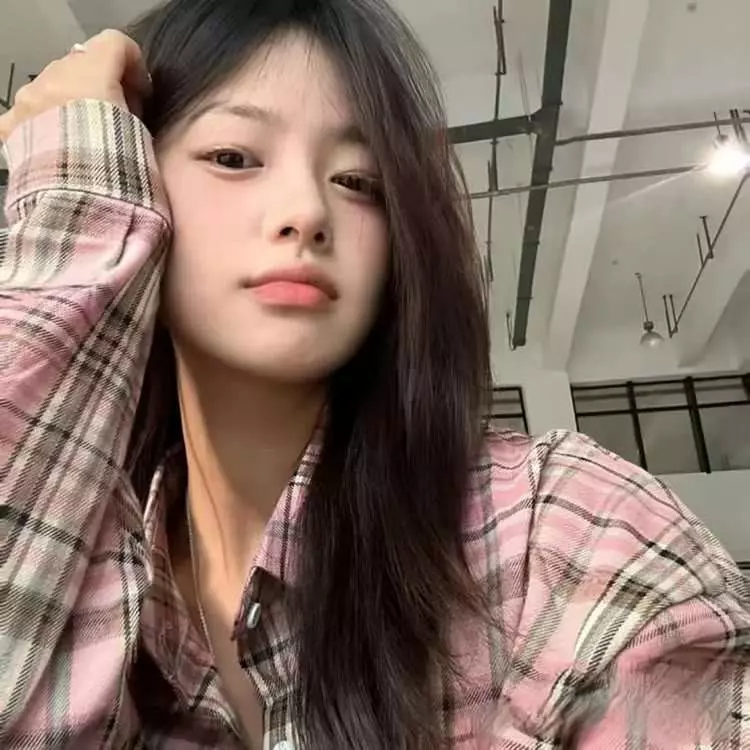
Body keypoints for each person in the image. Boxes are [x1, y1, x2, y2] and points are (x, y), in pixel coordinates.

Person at [0, 0, 748, 747]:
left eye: (358, 181)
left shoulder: (560, 531)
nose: (306, 211)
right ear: (137, 184)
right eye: (233, 157)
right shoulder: (86, 566)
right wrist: (77, 215)